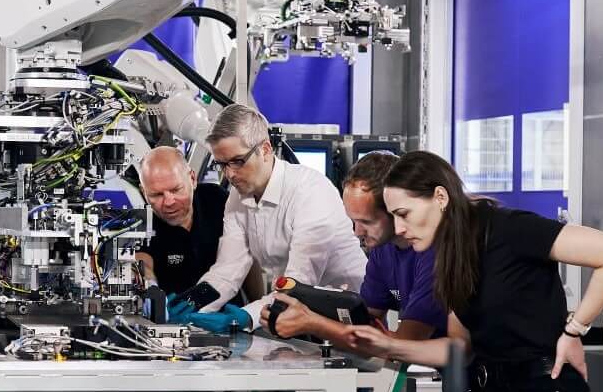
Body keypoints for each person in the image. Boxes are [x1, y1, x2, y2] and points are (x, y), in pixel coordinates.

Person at [347, 151, 603, 392]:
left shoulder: (509, 229)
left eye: (404, 215)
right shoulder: (450, 254)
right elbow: (460, 347)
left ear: (440, 197)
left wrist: (574, 331)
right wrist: (389, 346)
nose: (398, 229)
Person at [167, 104, 367, 333]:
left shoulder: (310, 191)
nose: (229, 174)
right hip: (300, 319)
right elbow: (228, 270)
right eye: (222, 164)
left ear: (265, 149)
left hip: (354, 316)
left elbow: (298, 284)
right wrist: (193, 301)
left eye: (238, 161)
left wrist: (244, 317)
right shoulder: (237, 197)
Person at [268, 150, 444, 351]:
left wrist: (313, 323)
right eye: (353, 221)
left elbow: (404, 344)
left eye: (366, 222)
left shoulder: (433, 252)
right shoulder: (382, 250)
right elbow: (364, 324)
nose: (357, 232)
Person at [133, 146, 229, 297]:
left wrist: (253, 309)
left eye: (176, 190)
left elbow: (248, 258)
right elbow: (143, 262)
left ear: (192, 179)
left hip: (230, 313)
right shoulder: (141, 223)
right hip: (173, 316)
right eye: (157, 195)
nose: (169, 202)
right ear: (143, 193)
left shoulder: (218, 200)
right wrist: (151, 288)